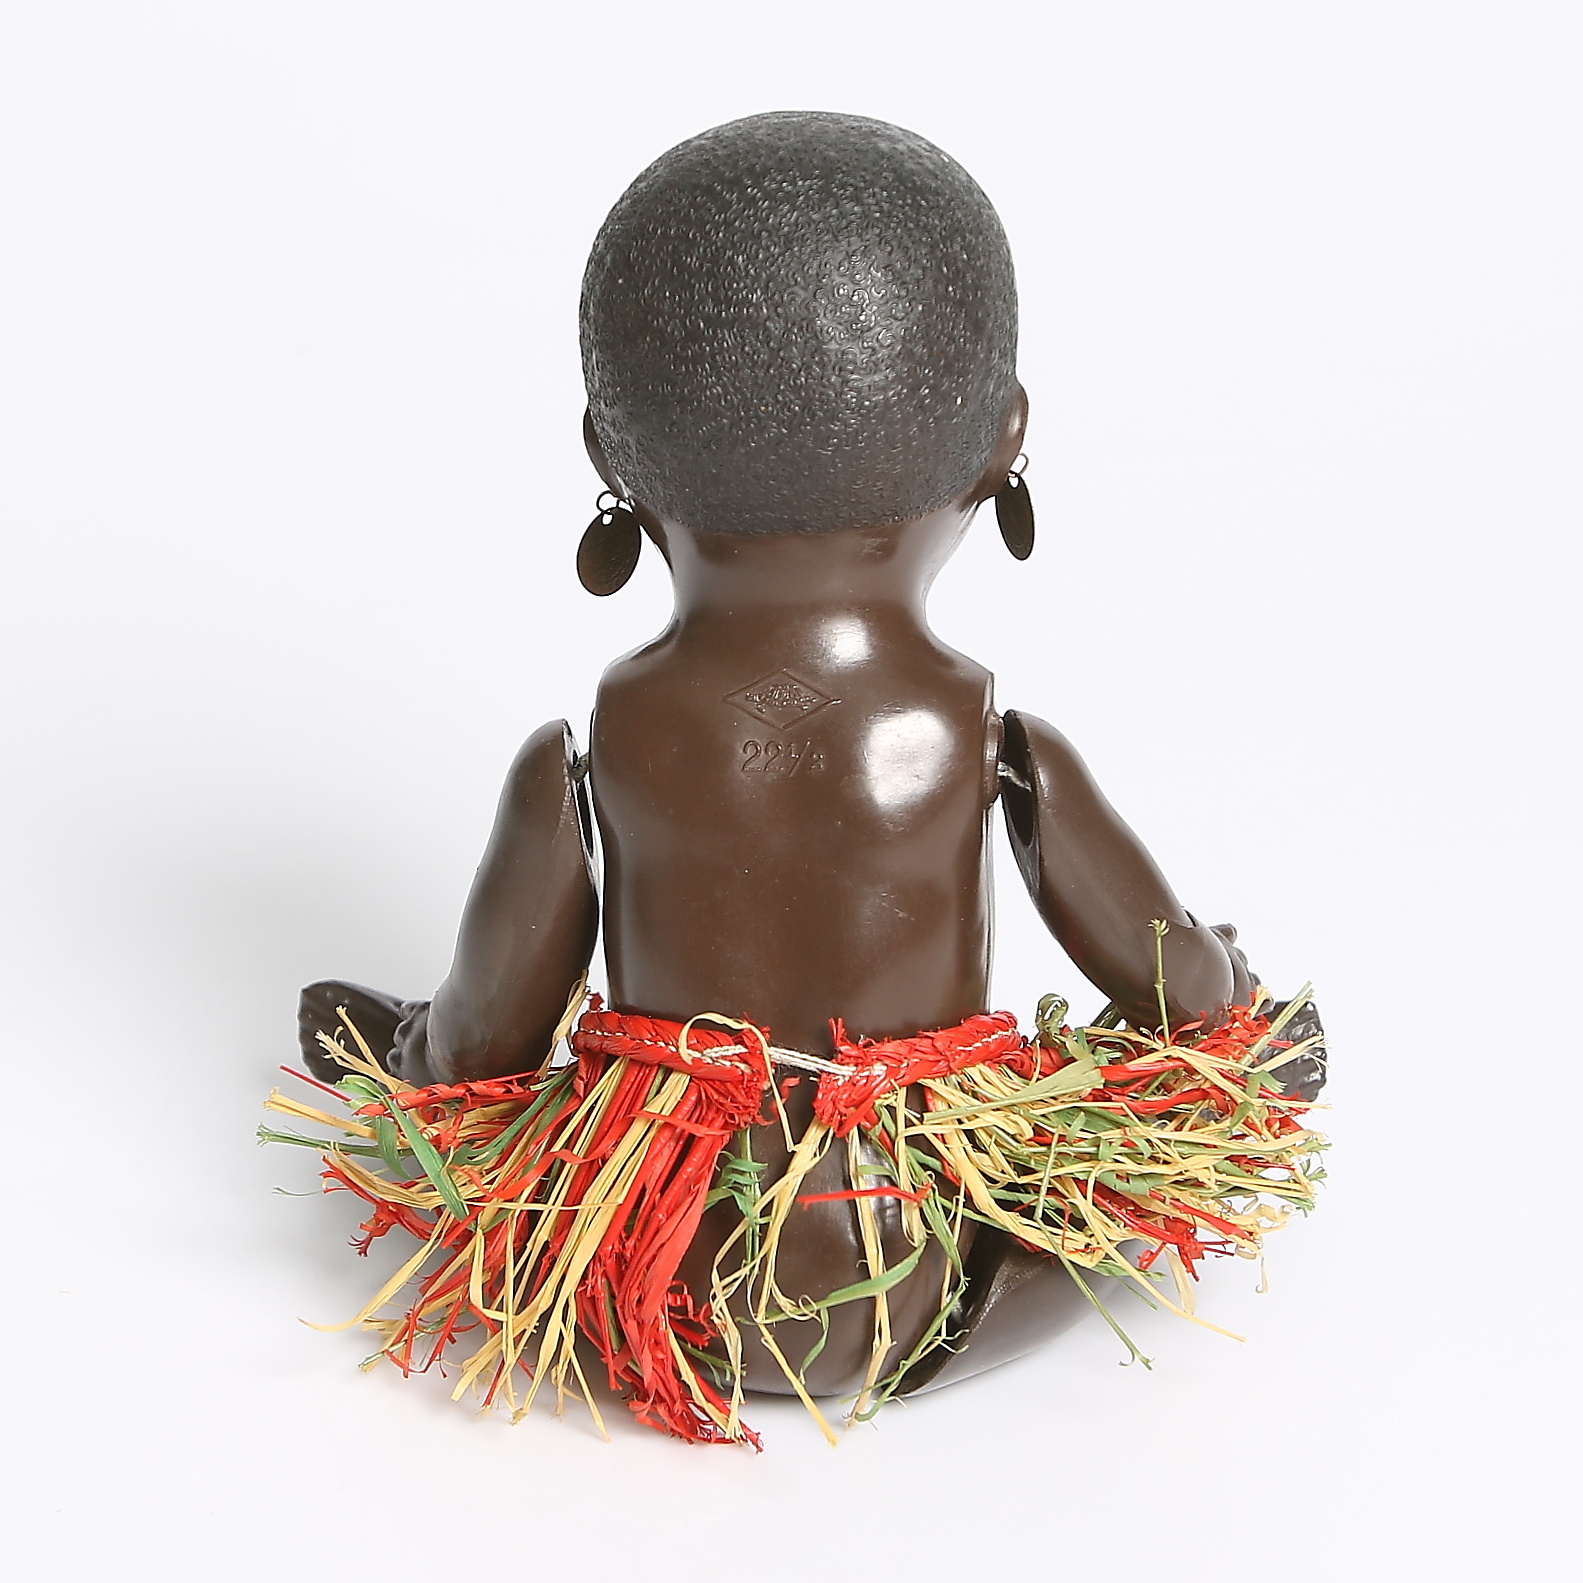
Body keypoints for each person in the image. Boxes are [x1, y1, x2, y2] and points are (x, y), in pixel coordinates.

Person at [296, 111, 1322, 1422]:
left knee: (450, 1122)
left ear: (608, 456)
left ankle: (402, 1090)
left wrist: (417, 1054)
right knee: (1199, 1108)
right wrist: (1235, 1007)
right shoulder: (984, 733)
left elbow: (487, 1033)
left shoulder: (595, 746)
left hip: (651, 1276)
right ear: (1005, 442)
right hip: (931, 1277)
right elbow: (1174, 987)